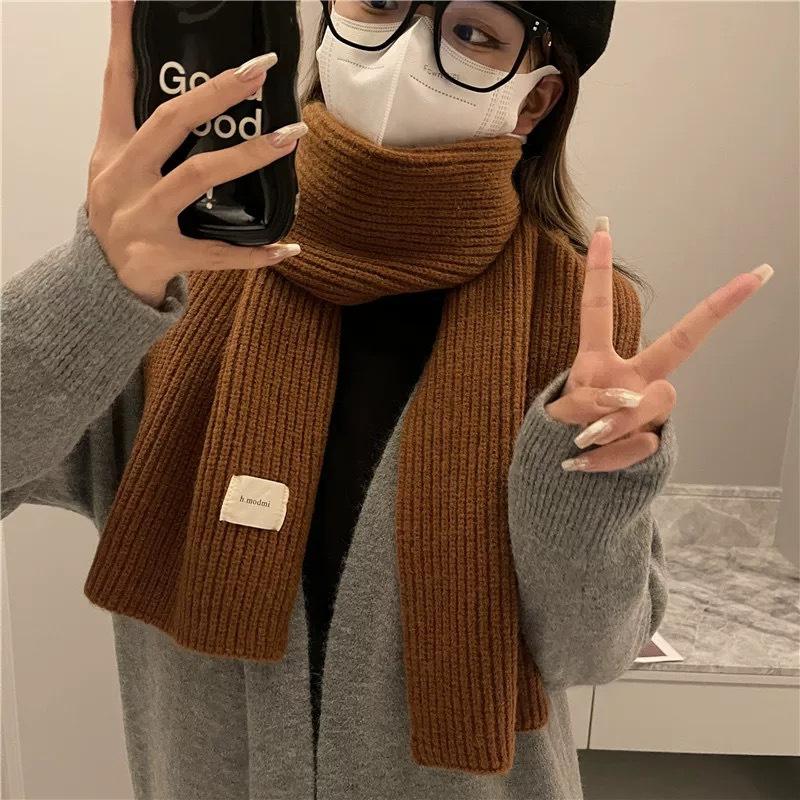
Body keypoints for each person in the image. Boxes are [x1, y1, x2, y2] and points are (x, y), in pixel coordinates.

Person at [1, 2, 772, 799]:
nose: (404, 53)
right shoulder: (178, 261)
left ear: (536, 99)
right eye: (378, 1)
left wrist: (583, 489)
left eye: (473, 34)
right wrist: (96, 285)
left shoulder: (578, 318)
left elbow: (592, 652)